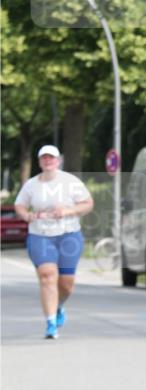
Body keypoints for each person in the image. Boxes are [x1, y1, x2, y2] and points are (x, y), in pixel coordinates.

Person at [14, 145, 93, 339]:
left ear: (58, 161)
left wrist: (67, 211)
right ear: (40, 162)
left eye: (52, 158)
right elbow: (20, 205)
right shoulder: (31, 185)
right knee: (47, 275)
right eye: (44, 158)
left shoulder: (70, 182)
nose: (48, 161)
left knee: (66, 284)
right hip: (40, 234)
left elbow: (87, 204)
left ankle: (58, 307)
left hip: (68, 235)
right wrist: (27, 215)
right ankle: (50, 323)